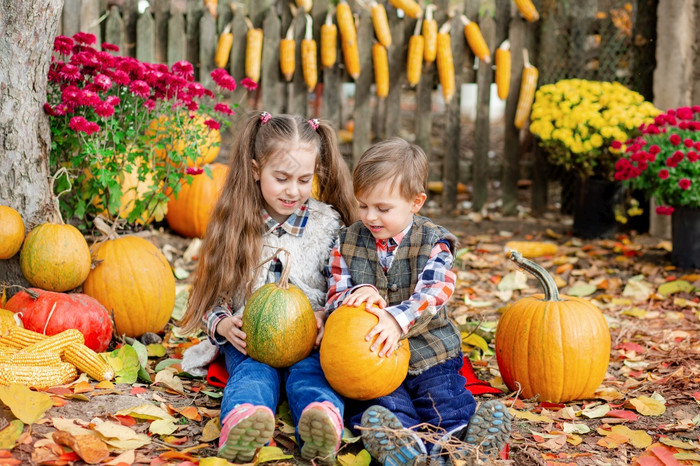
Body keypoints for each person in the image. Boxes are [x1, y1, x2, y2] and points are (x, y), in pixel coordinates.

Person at [179, 112, 357, 464]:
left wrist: (327, 314)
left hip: (308, 338)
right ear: (256, 169)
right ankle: (245, 418)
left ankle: (321, 419)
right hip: (249, 337)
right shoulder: (236, 222)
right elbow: (213, 294)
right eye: (282, 178)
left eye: (304, 179)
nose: (293, 190)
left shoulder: (327, 224)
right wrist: (223, 325)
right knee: (250, 375)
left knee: (313, 375)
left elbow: (342, 283)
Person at [326, 137, 511, 465]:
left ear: (416, 201)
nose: (371, 216)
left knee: (444, 401)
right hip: (372, 357)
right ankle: (406, 447)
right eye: (363, 205)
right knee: (382, 405)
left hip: (431, 352)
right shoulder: (347, 240)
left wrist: (397, 319)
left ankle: (462, 446)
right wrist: (354, 294)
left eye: (383, 208)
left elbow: (435, 293)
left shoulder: (433, 242)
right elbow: (334, 295)